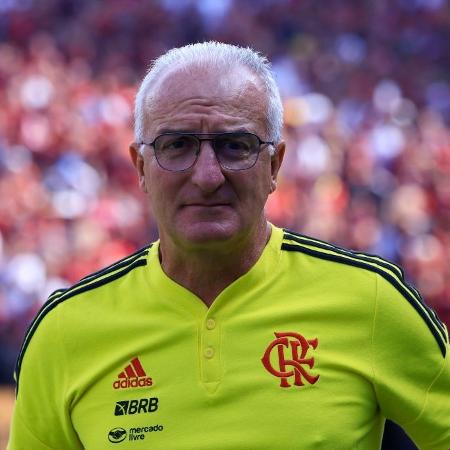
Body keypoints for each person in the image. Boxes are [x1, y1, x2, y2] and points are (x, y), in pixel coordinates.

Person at [7, 41, 450, 450]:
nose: (206, 175)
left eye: (235, 146)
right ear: (139, 166)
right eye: (176, 145)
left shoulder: (370, 300)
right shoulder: (64, 332)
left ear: (274, 163)